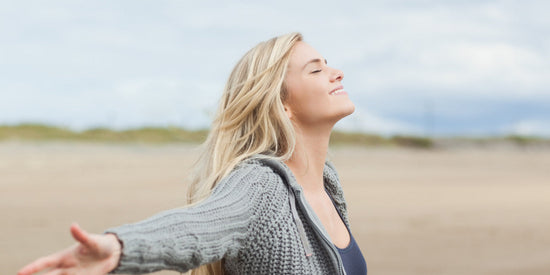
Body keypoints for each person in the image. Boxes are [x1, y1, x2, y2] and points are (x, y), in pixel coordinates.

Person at [17, 32, 367, 275]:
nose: (337, 73)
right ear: (282, 104)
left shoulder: (327, 183)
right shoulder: (262, 186)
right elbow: (201, 225)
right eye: (317, 69)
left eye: (328, 63)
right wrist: (122, 247)